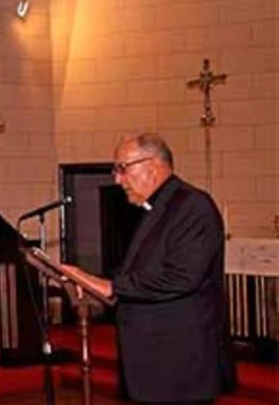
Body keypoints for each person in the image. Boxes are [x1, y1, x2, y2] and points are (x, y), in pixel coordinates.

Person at [61, 133, 232, 405]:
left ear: (152, 166)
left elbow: (182, 278)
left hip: (179, 365)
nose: (118, 180)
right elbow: (144, 272)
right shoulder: (156, 208)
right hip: (155, 361)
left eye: (122, 169)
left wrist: (112, 286)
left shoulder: (193, 206)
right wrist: (94, 286)